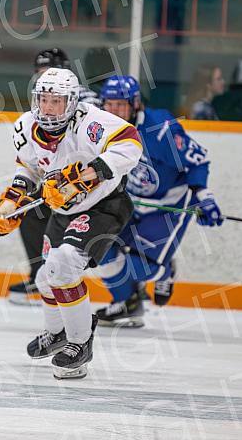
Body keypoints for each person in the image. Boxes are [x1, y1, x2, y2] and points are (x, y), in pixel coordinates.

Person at [0, 68, 142, 379]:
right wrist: (9, 204)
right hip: (65, 210)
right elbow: (29, 167)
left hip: (103, 206)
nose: (48, 107)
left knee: (64, 263)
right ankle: (57, 334)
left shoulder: (90, 121)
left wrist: (87, 176)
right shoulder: (25, 127)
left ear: (70, 102)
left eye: (56, 101)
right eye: (43, 100)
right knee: (46, 277)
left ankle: (80, 343)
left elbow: (131, 144)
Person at [93, 75, 223, 328]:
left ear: (136, 104)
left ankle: (165, 271)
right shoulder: (101, 129)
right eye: (109, 104)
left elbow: (197, 161)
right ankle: (127, 303)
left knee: (138, 268)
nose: (115, 110)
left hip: (167, 206)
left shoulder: (161, 129)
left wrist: (204, 197)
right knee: (99, 249)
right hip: (128, 202)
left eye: (121, 104)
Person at [8, 48, 100, 305]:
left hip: (92, 181)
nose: (43, 77)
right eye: (39, 72)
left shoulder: (86, 102)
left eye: (47, 71)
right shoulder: (42, 102)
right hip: (59, 181)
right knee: (27, 210)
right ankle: (41, 275)